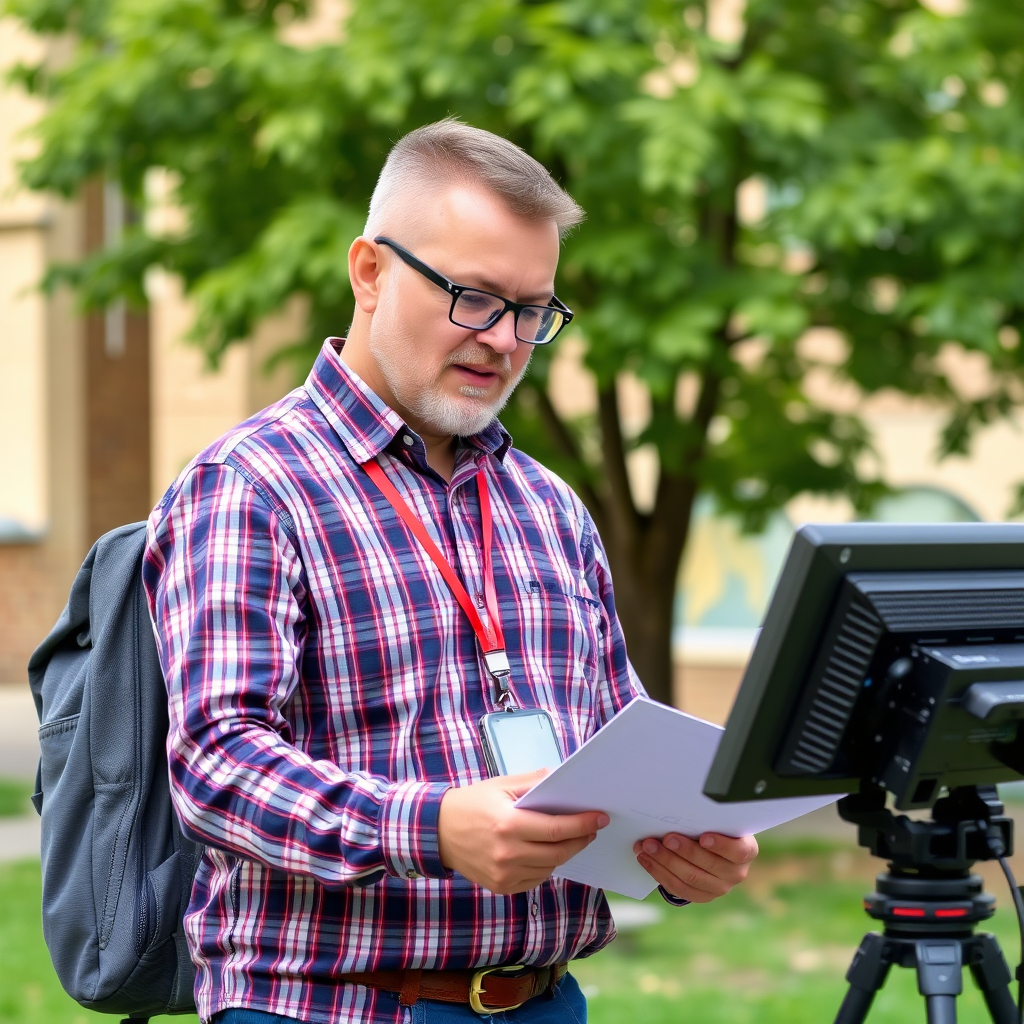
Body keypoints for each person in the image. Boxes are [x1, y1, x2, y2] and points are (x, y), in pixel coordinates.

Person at [143, 119, 758, 1024]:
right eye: (473, 297)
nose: (505, 340)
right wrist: (429, 827)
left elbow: (617, 745)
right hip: (327, 1008)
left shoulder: (551, 506)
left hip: (548, 1002)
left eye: (532, 311)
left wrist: (683, 846)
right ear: (369, 272)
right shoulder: (252, 485)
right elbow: (216, 766)